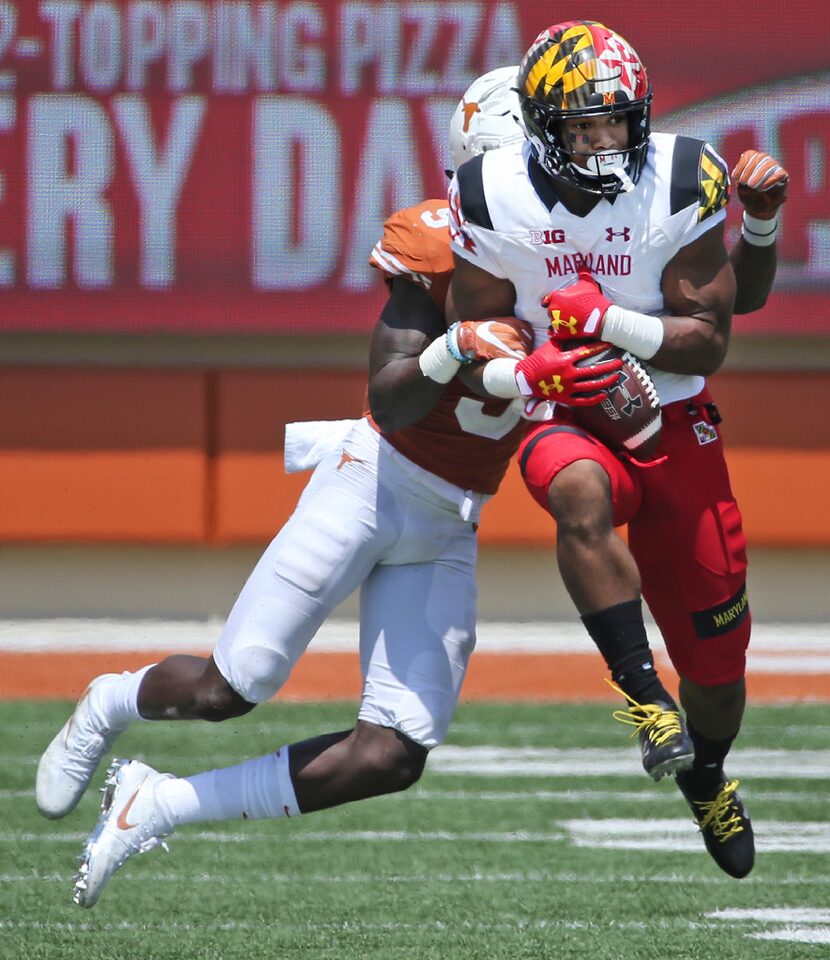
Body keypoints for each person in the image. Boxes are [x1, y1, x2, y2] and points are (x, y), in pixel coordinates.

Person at [37, 67, 624, 909]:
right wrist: (456, 345)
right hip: (373, 482)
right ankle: (107, 702)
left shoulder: (583, 255)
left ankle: (155, 802)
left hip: (452, 519)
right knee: (229, 688)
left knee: (394, 753)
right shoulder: (436, 242)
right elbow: (390, 395)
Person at [445, 20, 787, 880]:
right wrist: (531, 367)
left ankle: (707, 775)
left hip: (674, 417)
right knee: (577, 495)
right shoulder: (490, 192)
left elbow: (709, 339)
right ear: (540, 127)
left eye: (616, 123)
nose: (604, 144)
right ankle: (642, 694)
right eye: (583, 127)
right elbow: (473, 331)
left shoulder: (680, 176)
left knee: (718, 671)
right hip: (568, 410)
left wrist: (609, 325)